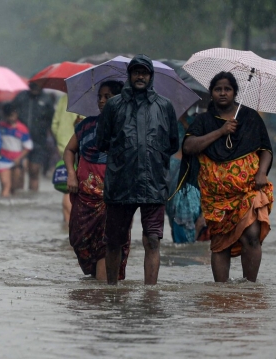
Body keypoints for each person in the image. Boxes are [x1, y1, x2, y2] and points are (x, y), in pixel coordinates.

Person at [181, 71, 274, 283]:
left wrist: (262, 173)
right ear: (211, 93)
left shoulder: (250, 118)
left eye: (227, 89)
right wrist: (221, 132)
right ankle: (221, 293)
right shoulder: (203, 121)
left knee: (251, 237)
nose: (223, 93)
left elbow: (266, 149)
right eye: (218, 89)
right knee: (220, 244)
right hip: (216, 198)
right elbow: (188, 147)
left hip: (248, 190)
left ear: (234, 92)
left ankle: (249, 289)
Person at [97, 54, 179, 285]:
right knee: (114, 241)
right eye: (136, 72)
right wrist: (124, 153)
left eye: (144, 72)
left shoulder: (164, 106)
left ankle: (150, 294)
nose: (140, 76)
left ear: (151, 76)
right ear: (130, 75)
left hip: (153, 183)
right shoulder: (114, 105)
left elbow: (173, 143)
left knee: (152, 240)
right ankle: (112, 290)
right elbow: (101, 141)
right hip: (120, 183)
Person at [64, 80, 124, 281]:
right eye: (100, 96)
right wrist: (71, 174)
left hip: (114, 196)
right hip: (84, 195)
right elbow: (69, 150)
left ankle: (102, 295)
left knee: (106, 243)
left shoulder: (127, 127)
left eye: (108, 97)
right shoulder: (86, 125)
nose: (102, 101)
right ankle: (97, 287)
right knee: (78, 239)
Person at [166, 110, 209, 243]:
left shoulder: (199, 121)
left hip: (192, 169)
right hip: (175, 166)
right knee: (174, 209)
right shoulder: (169, 121)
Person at [12, 82, 55, 191]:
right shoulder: (21, 97)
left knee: (34, 171)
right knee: (19, 170)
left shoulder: (46, 100)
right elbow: (11, 113)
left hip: (39, 141)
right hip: (20, 140)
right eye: (33, 85)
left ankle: (33, 199)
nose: (35, 88)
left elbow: (52, 121)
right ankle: (19, 199)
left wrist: (53, 139)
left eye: (37, 85)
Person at [52, 93, 83, 226]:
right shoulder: (94, 98)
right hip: (86, 148)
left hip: (64, 146)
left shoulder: (64, 98)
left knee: (68, 187)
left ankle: (67, 224)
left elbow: (54, 124)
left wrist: (61, 140)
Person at [0, 102, 33, 197]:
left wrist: (19, 158)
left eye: (12, 115)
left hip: (16, 161)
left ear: (16, 114)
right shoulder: (0, 127)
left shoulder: (22, 129)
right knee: (6, 185)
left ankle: (10, 207)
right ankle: (3, 206)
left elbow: (28, 146)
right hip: (2, 159)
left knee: (14, 187)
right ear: (4, 115)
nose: (11, 118)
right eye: (8, 116)